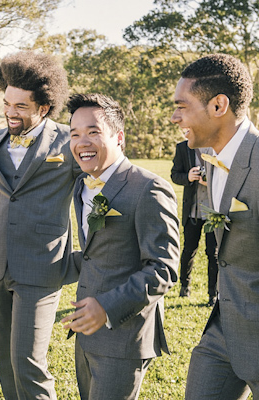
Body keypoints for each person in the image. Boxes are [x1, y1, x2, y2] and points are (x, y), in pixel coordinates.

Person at [172, 53, 259, 400]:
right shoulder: (211, 156)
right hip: (222, 333)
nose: (175, 117)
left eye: (182, 106)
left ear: (219, 105)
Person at [0, 51, 80, 399]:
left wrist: (91, 259)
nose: (11, 112)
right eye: (7, 103)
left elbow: (90, 201)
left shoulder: (69, 142)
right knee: (5, 361)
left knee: (28, 362)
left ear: (43, 107)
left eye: (21, 106)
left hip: (43, 268)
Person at [61, 93, 179, 400]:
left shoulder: (149, 188)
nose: (81, 142)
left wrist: (106, 307)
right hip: (86, 335)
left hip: (124, 336)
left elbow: (163, 269)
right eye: (74, 134)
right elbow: (95, 252)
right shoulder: (81, 187)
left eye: (93, 132)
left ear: (119, 137)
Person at [170, 140, 218, 305]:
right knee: (189, 250)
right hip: (192, 210)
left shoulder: (219, 145)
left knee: (213, 253)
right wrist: (188, 177)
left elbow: (229, 175)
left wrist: (210, 181)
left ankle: (213, 294)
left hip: (213, 211)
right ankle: (184, 286)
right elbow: (175, 174)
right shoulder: (183, 147)